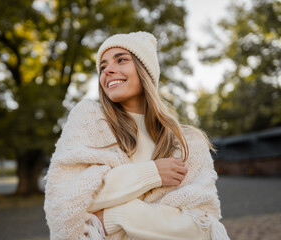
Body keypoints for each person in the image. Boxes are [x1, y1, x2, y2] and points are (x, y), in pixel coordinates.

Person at [44, 31, 230, 240]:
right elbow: (66, 200)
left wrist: (115, 215)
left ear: (145, 69)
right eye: (103, 66)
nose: (108, 70)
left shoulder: (188, 142)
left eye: (121, 60)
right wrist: (151, 174)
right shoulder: (88, 122)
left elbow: (202, 227)